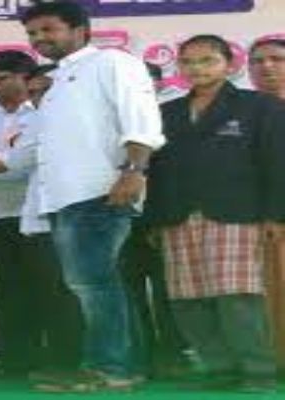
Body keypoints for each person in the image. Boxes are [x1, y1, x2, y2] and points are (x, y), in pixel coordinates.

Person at [0, 2, 165, 391]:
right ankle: (113, 365)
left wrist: (134, 170)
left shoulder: (112, 62)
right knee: (91, 285)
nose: (39, 38)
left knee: (96, 285)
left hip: (100, 192)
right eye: (32, 33)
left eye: (49, 29)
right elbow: (19, 154)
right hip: (62, 201)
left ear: (80, 29)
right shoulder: (56, 83)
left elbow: (141, 118)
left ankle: (113, 368)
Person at [145, 34, 285, 393]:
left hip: (236, 214)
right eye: (188, 62)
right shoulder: (166, 112)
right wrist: (155, 219)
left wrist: (275, 215)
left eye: (207, 60)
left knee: (237, 297)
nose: (197, 68)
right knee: (188, 299)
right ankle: (220, 368)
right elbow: (157, 172)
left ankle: (258, 371)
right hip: (177, 216)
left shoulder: (260, 106)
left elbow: (276, 163)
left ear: (230, 65)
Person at [0, 50, 80, 378]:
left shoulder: (46, 113)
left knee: (48, 286)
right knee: (1, 289)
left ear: (24, 78)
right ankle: (14, 360)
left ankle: (60, 361)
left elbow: (15, 164)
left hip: (33, 212)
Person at [118, 63, 190, 378]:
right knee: (127, 290)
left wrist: (161, 218)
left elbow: (176, 177)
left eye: (148, 82)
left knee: (169, 291)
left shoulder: (173, 119)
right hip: (118, 217)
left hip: (164, 218)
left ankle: (174, 354)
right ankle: (140, 354)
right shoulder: (110, 120)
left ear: (160, 85)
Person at [248, 37, 285, 372]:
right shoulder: (244, 111)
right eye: (258, 61)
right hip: (264, 216)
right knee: (272, 291)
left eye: (276, 59)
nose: (267, 66)